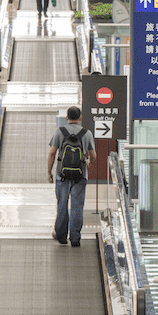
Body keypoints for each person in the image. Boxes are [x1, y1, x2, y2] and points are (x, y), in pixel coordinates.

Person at [47, 105, 96, 246]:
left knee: (62, 205)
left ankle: (61, 236)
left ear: (67, 117)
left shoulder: (60, 132)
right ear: (80, 118)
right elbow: (93, 155)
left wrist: (49, 172)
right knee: (77, 206)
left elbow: (52, 153)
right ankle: (75, 237)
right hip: (80, 176)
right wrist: (88, 163)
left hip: (61, 175)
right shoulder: (87, 133)